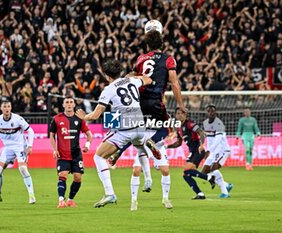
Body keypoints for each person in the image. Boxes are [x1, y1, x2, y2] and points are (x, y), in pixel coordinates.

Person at [115, 28, 186, 210]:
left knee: (131, 132)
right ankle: (152, 143)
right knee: (168, 126)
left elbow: (131, 76)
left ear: (147, 45)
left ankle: (120, 151)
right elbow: (174, 83)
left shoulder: (140, 59)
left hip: (138, 104)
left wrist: (125, 80)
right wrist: (181, 106)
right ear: (162, 44)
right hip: (155, 103)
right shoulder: (168, 59)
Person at [76, 60, 154, 208]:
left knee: (98, 156)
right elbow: (148, 80)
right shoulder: (132, 80)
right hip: (140, 125)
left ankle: (109, 193)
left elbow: (95, 115)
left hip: (126, 130)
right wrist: (140, 76)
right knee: (139, 146)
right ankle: (148, 177)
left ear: (107, 75)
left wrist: (83, 117)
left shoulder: (108, 89)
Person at [0, 98, 36, 204]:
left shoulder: (17, 119)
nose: (7, 109)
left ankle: (32, 196)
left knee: (23, 169)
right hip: (8, 148)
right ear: (1, 108)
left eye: (8, 106)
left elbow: (30, 131)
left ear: (11, 108)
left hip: (20, 147)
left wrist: (30, 146)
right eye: (4, 106)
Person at [49, 96, 92, 208]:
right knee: (62, 175)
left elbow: (88, 134)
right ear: (63, 105)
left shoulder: (79, 119)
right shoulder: (56, 118)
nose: (69, 104)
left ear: (74, 105)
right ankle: (61, 200)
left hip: (76, 154)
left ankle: (70, 200)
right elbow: (52, 135)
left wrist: (87, 145)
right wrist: (54, 150)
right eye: (66, 102)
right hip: (62, 154)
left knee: (78, 177)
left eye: (71, 102)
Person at [166, 108, 215, 200]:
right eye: (177, 113)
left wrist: (201, 145)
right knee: (186, 175)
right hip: (192, 152)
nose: (179, 115)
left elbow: (202, 133)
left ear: (185, 115)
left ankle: (209, 177)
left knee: (187, 171)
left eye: (181, 113)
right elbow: (179, 143)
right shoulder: (179, 128)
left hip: (198, 150)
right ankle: (200, 193)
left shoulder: (190, 123)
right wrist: (166, 147)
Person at [202, 104, 233, 198]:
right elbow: (209, 140)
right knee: (204, 172)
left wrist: (209, 151)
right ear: (206, 113)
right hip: (213, 151)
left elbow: (218, 140)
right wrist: (207, 150)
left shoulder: (219, 123)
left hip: (222, 150)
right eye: (209, 111)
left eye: (213, 111)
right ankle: (226, 185)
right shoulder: (205, 123)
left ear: (215, 112)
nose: (211, 113)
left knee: (214, 169)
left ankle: (225, 192)